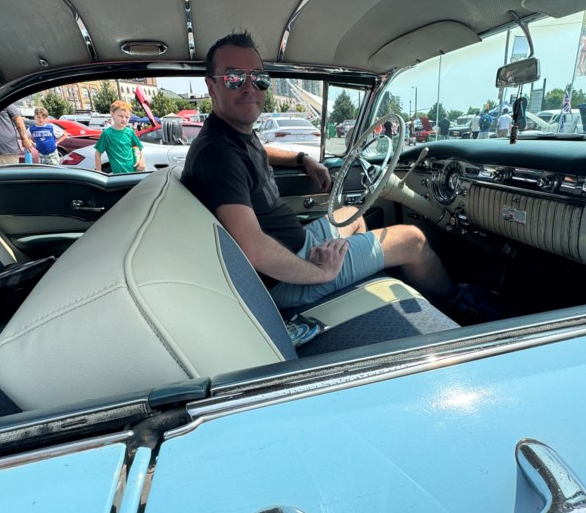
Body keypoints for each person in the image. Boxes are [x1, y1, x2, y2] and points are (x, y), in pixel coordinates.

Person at [181, 31, 498, 321]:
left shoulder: (231, 135)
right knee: (412, 239)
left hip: (301, 244)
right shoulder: (217, 155)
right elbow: (253, 249)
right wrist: (320, 271)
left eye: (258, 77)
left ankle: (377, 273)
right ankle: (461, 302)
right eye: (235, 77)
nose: (250, 87)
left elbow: (260, 150)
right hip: (285, 279)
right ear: (212, 85)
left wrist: (304, 159)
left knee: (354, 217)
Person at [94, 100, 145, 174]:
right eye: (120, 116)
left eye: (127, 117)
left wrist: (142, 160)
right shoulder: (107, 134)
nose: (124, 119)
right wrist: (99, 173)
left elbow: (140, 148)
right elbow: (98, 153)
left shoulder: (130, 132)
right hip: (119, 176)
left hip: (135, 173)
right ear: (112, 114)